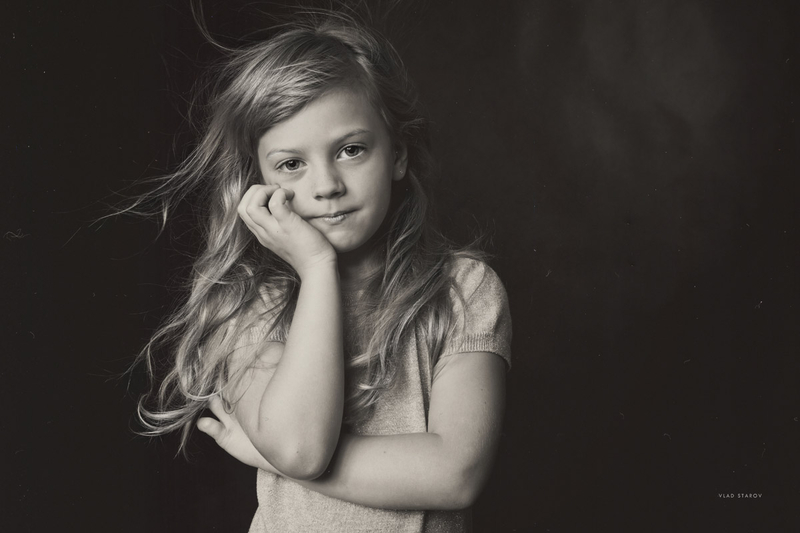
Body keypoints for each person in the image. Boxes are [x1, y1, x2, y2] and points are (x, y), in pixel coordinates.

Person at [133, 11, 512, 533]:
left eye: (351, 150)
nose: (327, 185)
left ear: (397, 155)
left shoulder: (463, 289)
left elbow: (455, 475)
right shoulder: (247, 298)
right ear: (258, 180)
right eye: (292, 164)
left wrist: (265, 456)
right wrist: (316, 269)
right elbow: (300, 449)